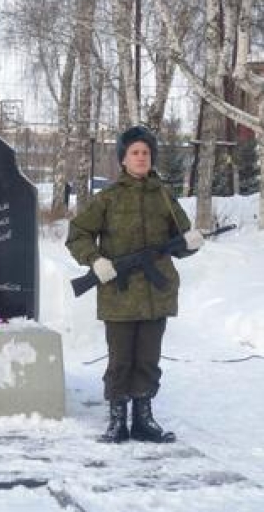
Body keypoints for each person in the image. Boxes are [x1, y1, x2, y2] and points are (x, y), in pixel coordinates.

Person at [65, 125, 204, 444]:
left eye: (146, 152)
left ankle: (143, 419)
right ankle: (117, 421)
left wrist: (192, 242)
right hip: (120, 292)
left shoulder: (164, 197)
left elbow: (179, 240)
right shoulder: (108, 198)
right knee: (121, 360)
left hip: (157, 293)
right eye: (135, 153)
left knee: (148, 359)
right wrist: (95, 260)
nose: (141, 158)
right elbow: (77, 234)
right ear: (124, 159)